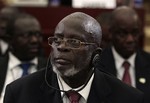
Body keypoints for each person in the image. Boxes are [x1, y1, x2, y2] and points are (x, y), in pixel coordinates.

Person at [4, 12, 144, 103]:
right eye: (57, 40)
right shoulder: (19, 93)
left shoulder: (128, 98)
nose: (61, 47)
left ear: (96, 54)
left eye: (74, 42)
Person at [98, 6, 150, 103]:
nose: (130, 39)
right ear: (111, 33)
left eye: (135, 33)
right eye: (123, 34)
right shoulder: (97, 64)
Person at [0, 12, 47, 102]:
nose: (34, 40)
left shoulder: (51, 69)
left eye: (38, 35)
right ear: (10, 39)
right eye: (26, 35)